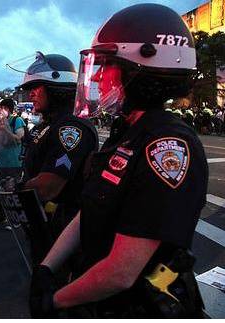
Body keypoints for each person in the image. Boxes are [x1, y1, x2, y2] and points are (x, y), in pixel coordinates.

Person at [31, 4, 207, 318]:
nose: (98, 76)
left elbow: (122, 271)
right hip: (99, 295)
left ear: (142, 69)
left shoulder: (167, 144)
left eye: (108, 65)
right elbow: (92, 208)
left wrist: (56, 300)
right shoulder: (127, 130)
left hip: (135, 306)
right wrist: (47, 266)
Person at [19, 53, 98, 262]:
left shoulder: (71, 128)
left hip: (63, 229)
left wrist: (16, 189)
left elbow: (47, 187)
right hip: (44, 222)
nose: (31, 95)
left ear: (57, 89)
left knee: (50, 286)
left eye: (37, 88)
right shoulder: (47, 125)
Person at [0, 98, 27, 229]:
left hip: (14, 162)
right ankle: (1, 216)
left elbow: (18, 139)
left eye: (4, 108)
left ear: (9, 109)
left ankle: (15, 219)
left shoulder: (17, 121)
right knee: (0, 190)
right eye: (0, 108)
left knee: (12, 191)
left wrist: (4, 129)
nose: (2, 111)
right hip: (0, 162)